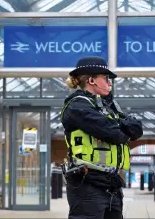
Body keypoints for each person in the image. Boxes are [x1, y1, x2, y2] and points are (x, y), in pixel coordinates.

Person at [61, 56, 143, 219]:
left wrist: (119, 126)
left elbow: (137, 130)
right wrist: (121, 127)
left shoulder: (108, 107)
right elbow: (115, 134)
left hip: (111, 184)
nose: (110, 83)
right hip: (87, 184)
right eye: (106, 78)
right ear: (91, 80)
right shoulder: (77, 106)